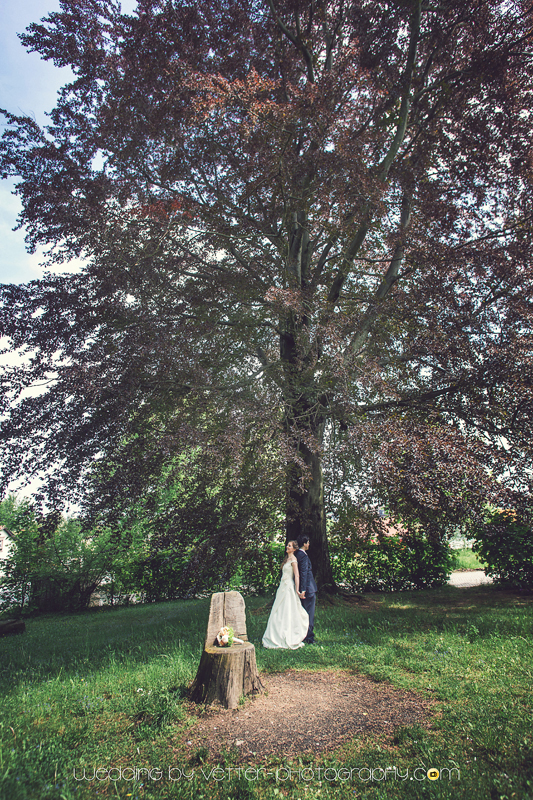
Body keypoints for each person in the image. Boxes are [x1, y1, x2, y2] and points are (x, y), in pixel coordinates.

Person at [262, 540, 309, 649]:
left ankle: (288, 635)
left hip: (288, 588)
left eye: (289, 546)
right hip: (282, 587)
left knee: (287, 610)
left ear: (294, 549)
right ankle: (276, 635)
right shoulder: (287, 559)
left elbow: (297, 575)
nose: (287, 547)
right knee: (278, 611)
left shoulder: (294, 560)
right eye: (287, 545)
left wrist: (297, 590)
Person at [295, 535, 318, 644]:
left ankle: (303, 634)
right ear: (304, 544)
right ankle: (309, 637)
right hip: (308, 589)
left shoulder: (297, 555)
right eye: (308, 542)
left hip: (305, 588)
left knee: (304, 612)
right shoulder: (303, 556)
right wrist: (303, 589)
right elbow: (303, 573)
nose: (309, 544)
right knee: (309, 613)